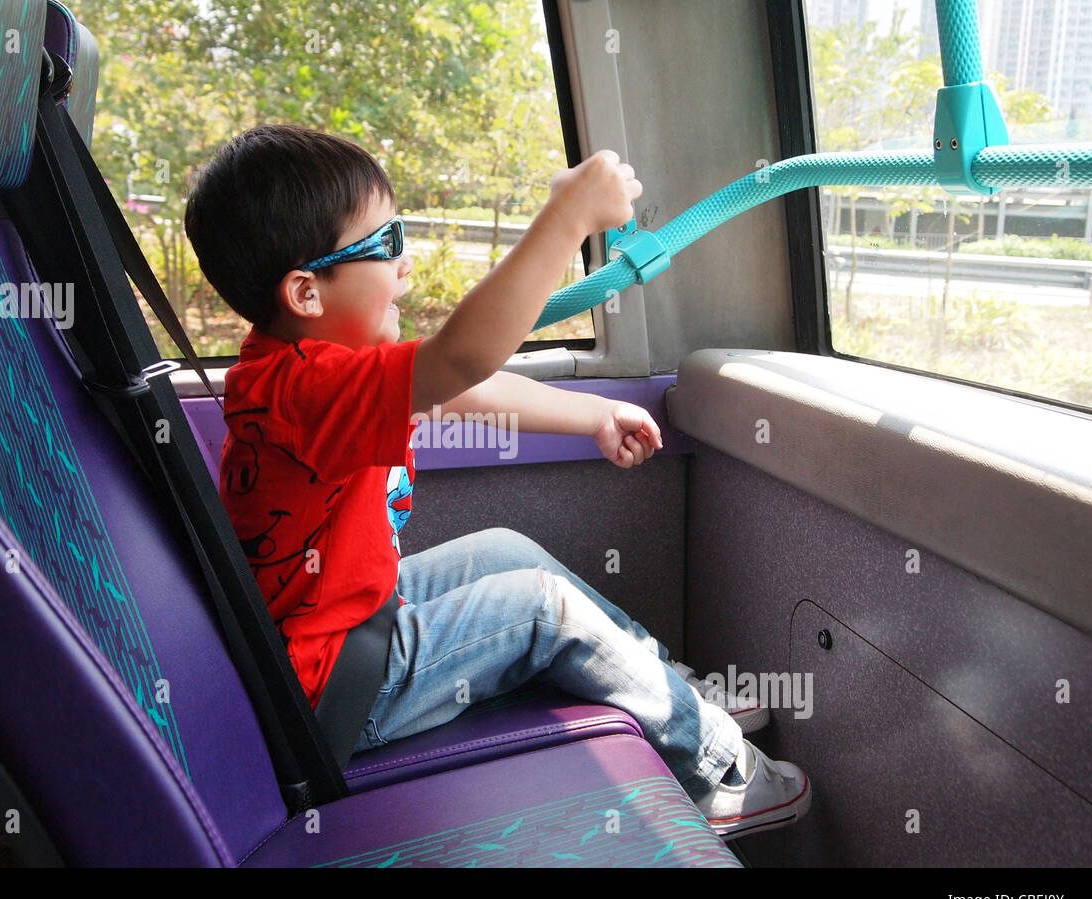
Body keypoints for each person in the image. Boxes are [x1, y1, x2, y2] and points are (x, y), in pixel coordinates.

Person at [184, 123, 810, 838]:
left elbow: (459, 389)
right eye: (387, 245)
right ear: (306, 293)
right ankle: (719, 770)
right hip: (334, 689)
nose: (406, 265)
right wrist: (567, 217)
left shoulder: (313, 369)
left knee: (503, 549)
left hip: (341, 624)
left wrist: (594, 414)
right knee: (543, 610)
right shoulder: (305, 392)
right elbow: (464, 358)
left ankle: (668, 685)